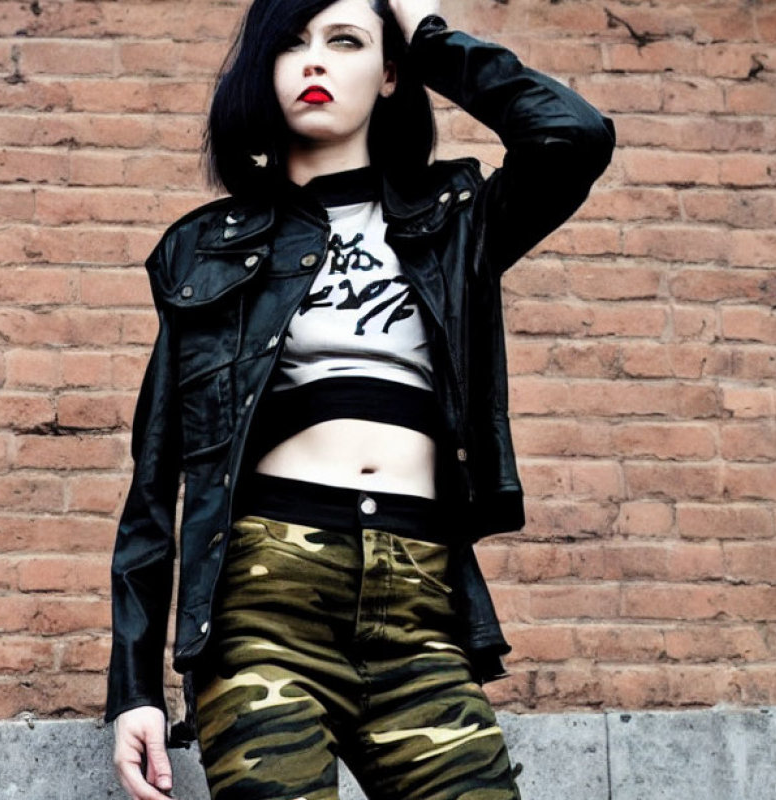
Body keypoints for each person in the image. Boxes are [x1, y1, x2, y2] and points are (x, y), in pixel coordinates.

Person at [105, 0, 615, 797]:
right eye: (292, 45)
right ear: (263, 74)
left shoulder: (456, 221)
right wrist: (132, 688)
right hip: (265, 612)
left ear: (388, 74)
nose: (314, 62)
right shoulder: (205, 249)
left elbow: (572, 136)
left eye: (345, 42)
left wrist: (430, 32)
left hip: (420, 611)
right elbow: (155, 478)